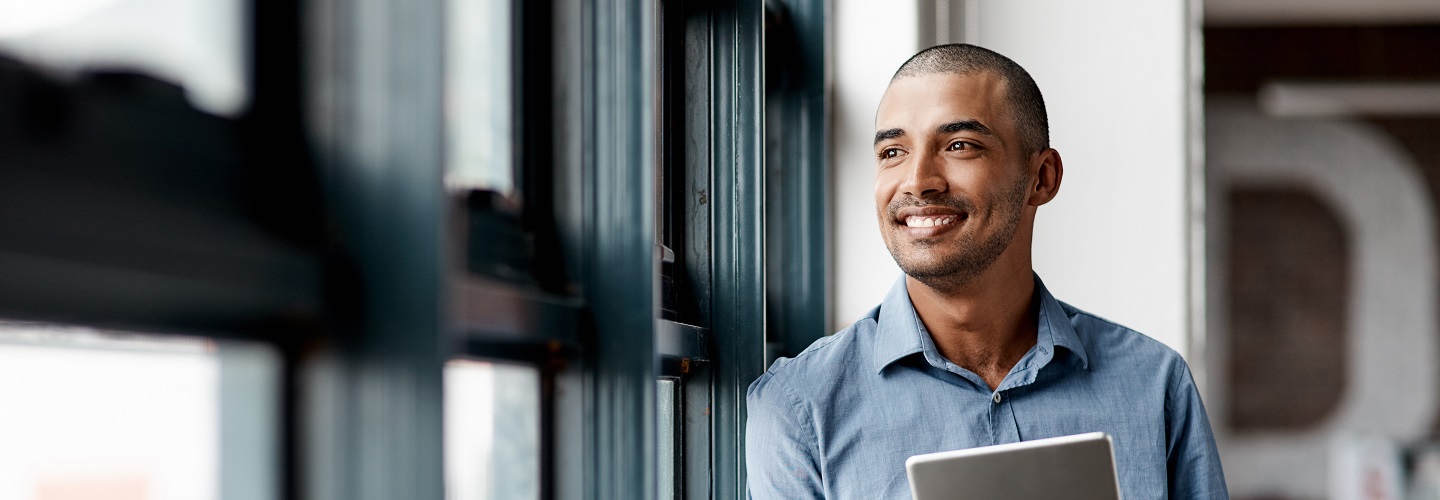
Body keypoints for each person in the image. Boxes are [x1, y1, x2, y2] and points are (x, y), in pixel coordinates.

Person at [744, 43, 1227, 499]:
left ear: (1042, 178)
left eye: (959, 145)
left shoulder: (1153, 383)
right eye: (893, 152)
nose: (918, 181)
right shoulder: (799, 404)